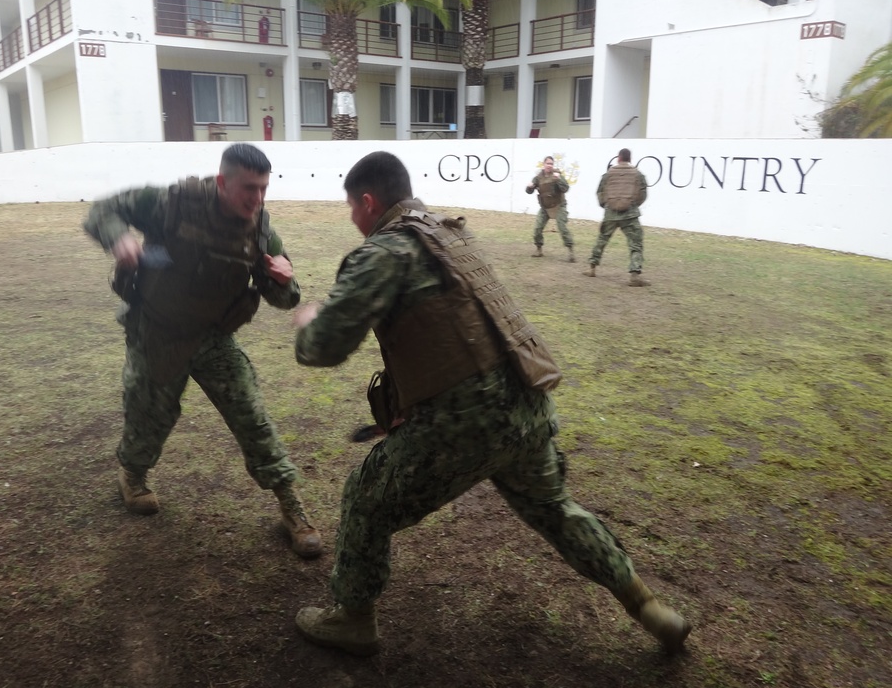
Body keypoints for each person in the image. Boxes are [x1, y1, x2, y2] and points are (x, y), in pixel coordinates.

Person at [291, 151, 690, 656]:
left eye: (352, 209)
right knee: (557, 511)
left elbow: (323, 348)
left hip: (467, 423)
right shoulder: (449, 234)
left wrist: (308, 322)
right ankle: (648, 608)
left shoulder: (385, 251)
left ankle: (352, 617)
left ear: (368, 202)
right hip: (527, 405)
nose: (353, 220)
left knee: (365, 499)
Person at [83, 143, 322, 558]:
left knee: (252, 416)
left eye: (264, 188)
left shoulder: (261, 231)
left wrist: (285, 280)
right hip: (157, 330)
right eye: (249, 188)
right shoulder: (172, 203)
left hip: (212, 338)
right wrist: (119, 239)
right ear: (222, 181)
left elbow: (285, 301)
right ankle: (133, 475)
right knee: (149, 414)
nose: (257, 198)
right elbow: (102, 210)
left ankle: (291, 506)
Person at [584, 148, 649, 286]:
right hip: (630, 214)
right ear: (630, 159)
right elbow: (642, 194)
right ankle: (634, 275)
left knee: (602, 239)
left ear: (618, 158)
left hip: (610, 213)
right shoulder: (638, 174)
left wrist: (606, 205)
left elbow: (600, 192)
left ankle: (592, 268)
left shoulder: (608, 174)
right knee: (635, 244)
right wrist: (633, 205)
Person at [526, 155, 574, 261]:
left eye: (551, 164)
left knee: (562, 228)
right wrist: (529, 187)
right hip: (545, 207)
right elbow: (529, 191)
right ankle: (539, 249)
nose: (549, 166)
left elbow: (565, 188)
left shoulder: (557, 175)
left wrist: (558, 180)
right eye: (547, 163)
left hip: (559, 205)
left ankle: (570, 251)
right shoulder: (538, 177)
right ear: (543, 165)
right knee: (537, 228)